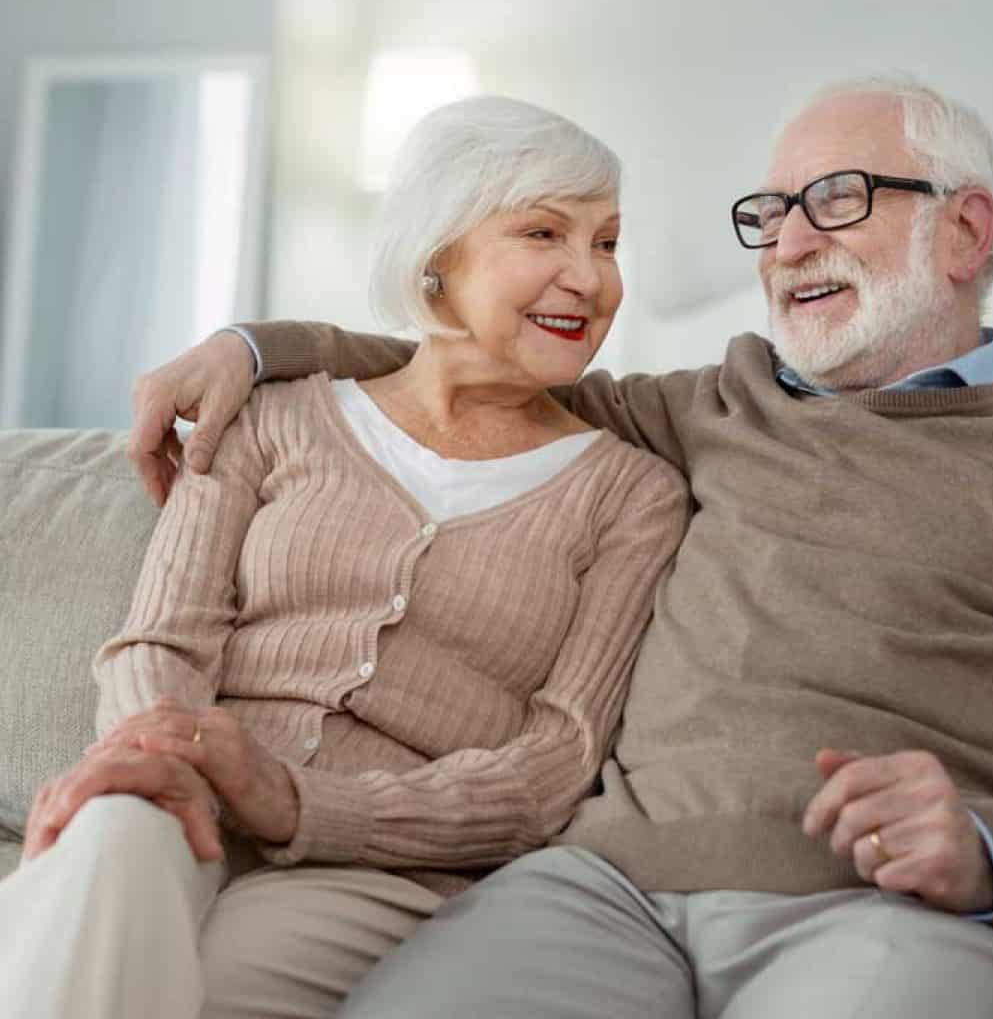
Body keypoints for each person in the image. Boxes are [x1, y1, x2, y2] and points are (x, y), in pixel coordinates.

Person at [129, 73, 993, 1018]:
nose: (790, 244)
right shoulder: (716, 403)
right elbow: (459, 363)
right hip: (602, 886)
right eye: (770, 213)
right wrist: (250, 348)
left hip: (875, 907)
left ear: (963, 230)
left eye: (837, 200)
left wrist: (991, 847)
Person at [0, 96, 686, 1019]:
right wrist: (155, 750)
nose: (589, 277)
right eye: (544, 233)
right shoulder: (273, 418)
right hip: (182, 787)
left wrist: (296, 803)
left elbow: (552, 764)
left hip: (383, 862)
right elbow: (162, 638)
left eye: (607, 243)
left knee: (215, 991)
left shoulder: (632, 494)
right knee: (111, 846)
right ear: (437, 257)